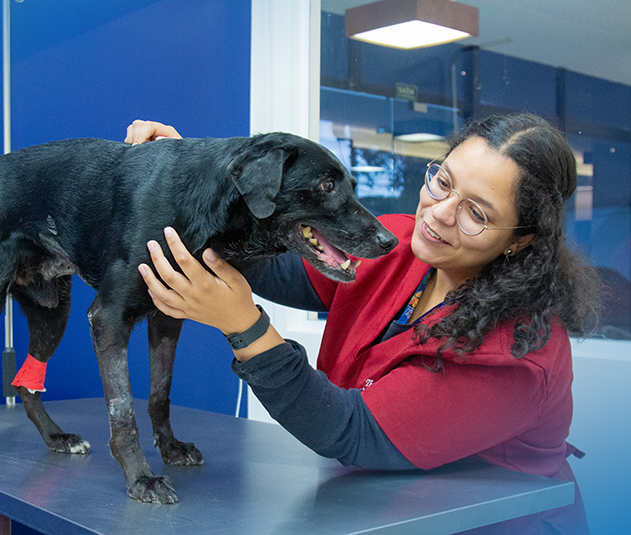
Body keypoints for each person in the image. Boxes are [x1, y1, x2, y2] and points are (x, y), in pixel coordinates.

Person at [128, 114, 597, 533]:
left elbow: (355, 433)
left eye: (476, 212)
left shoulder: (516, 355)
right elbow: (281, 269)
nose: (439, 212)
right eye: (443, 181)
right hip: (394, 504)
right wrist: (205, 182)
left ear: (520, 239)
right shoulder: (409, 243)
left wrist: (244, 327)